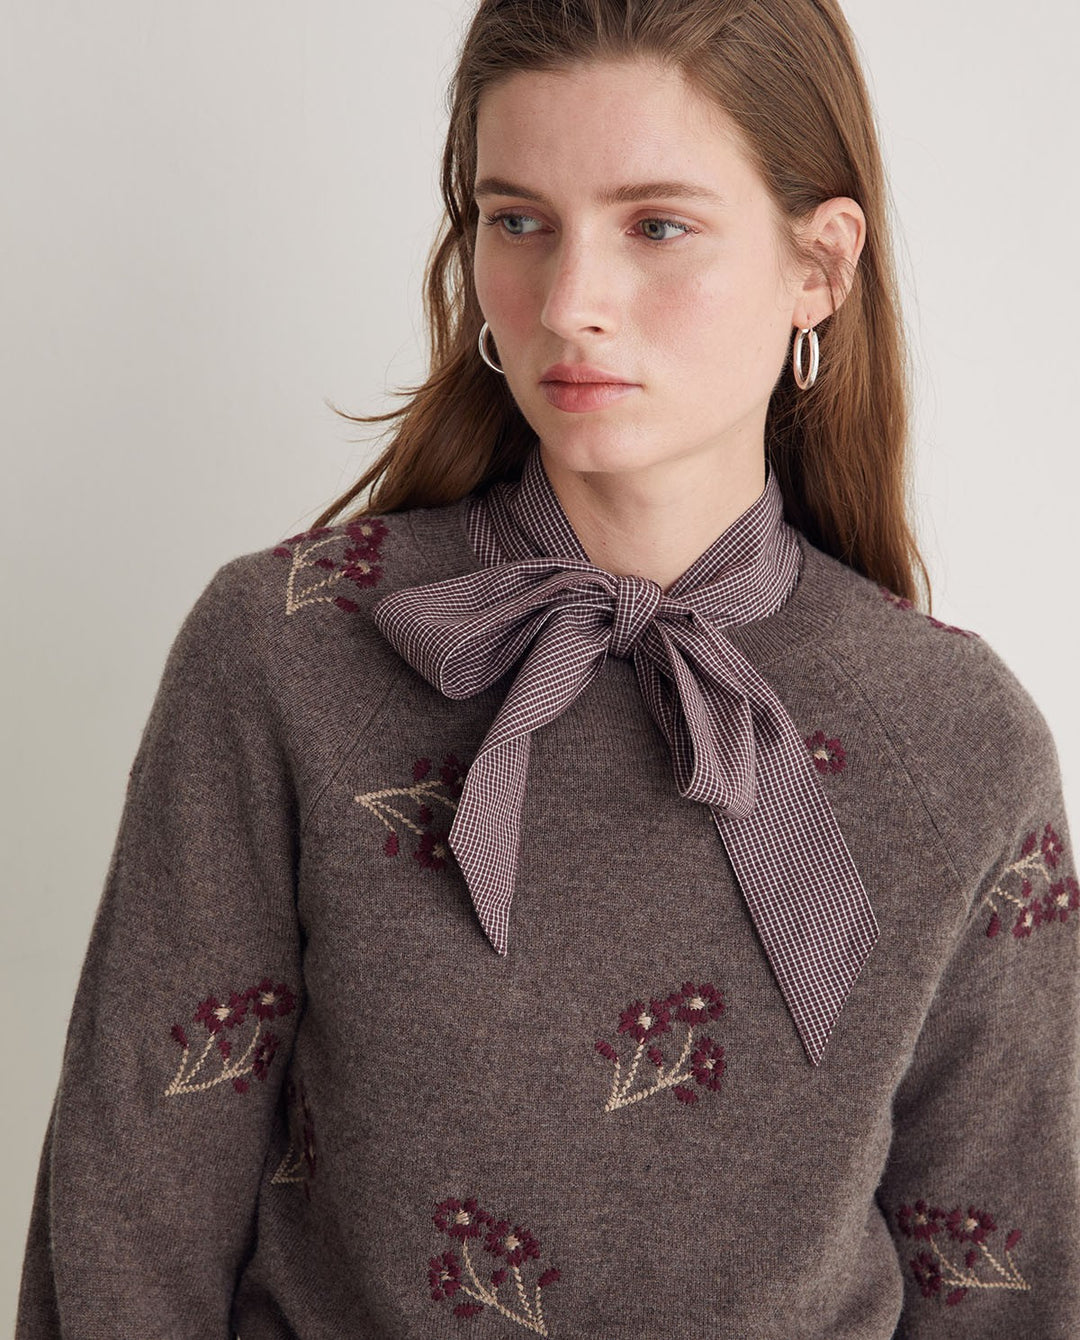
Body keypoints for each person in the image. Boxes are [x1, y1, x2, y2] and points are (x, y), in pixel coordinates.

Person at [17, 0, 1078, 1335]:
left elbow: (1015, 1290)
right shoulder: (284, 654)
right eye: (519, 222)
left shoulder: (961, 742)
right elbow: (123, 1239)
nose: (570, 304)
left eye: (657, 227)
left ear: (820, 265)